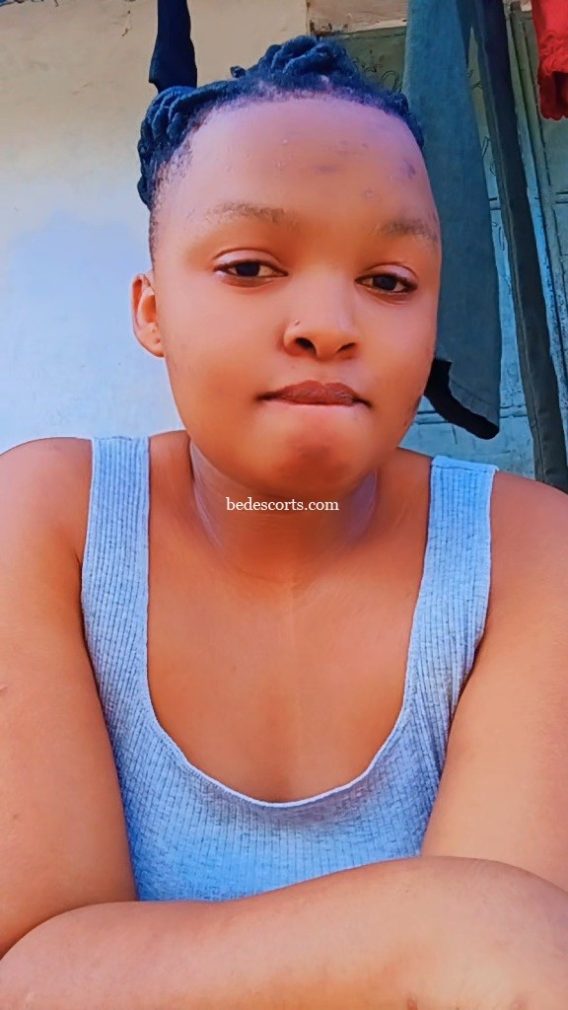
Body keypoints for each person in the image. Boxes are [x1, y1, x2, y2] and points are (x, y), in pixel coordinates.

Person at [2, 33, 568, 1010]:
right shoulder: (50, 522)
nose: (328, 324)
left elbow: (509, 970)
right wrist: (433, 928)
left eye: (388, 281)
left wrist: (465, 934)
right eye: (250, 266)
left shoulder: (531, 554)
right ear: (151, 311)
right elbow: (29, 969)